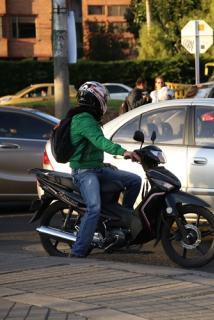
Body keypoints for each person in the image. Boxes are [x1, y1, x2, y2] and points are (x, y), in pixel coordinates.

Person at [68, 81, 142, 258]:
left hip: (97, 168)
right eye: (103, 99)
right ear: (95, 100)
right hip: (84, 172)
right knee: (94, 208)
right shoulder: (83, 120)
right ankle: (77, 253)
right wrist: (123, 152)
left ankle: (121, 221)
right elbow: (101, 142)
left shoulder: (90, 118)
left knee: (134, 180)